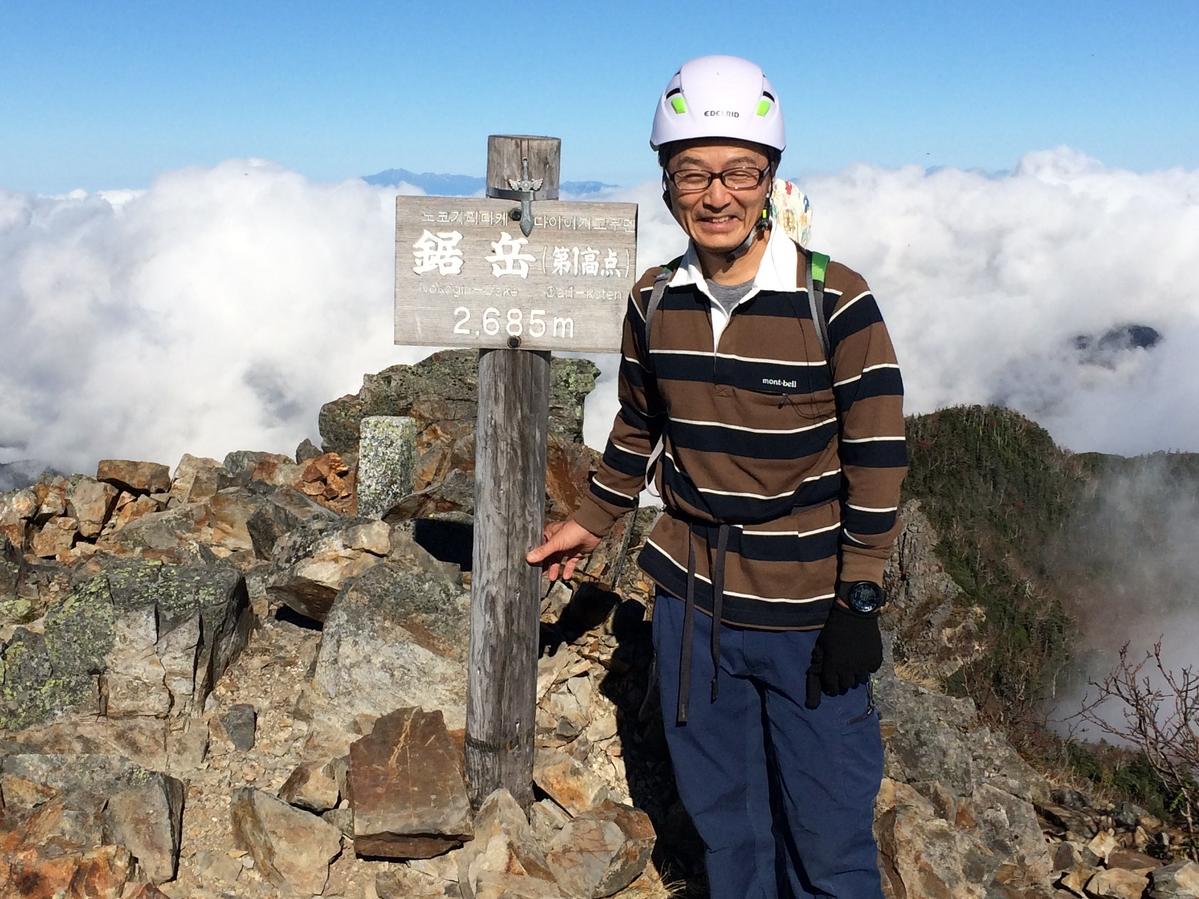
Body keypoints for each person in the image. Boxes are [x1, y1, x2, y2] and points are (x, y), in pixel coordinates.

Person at [526, 55, 907, 899]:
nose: (716, 195)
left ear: (769, 179)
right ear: (667, 183)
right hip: (691, 605)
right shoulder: (654, 299)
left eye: (739, 171)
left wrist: (859, 599)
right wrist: (589, 520)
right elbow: (639, 424)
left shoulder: (835, 300)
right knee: (727, 828)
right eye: (692, 172)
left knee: (828, 836)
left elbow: (878, 454)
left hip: (806, 609)